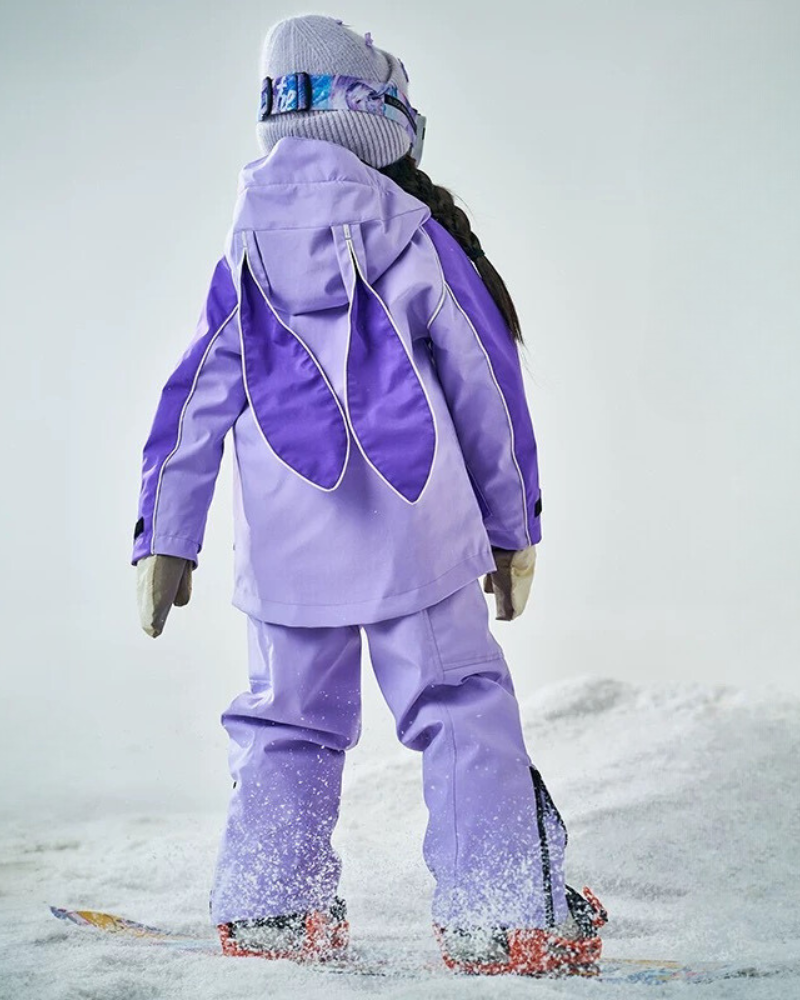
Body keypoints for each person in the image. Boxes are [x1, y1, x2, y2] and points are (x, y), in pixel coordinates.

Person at [131, 14, 607, 977]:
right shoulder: (413, 235)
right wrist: (513, 528)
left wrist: (164, 537)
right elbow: (485, 384)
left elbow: (194, 399)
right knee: (458, 706)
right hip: (415, 531)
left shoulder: (242, 253)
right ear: (378, 119)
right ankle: (496, 911)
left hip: (286, 552)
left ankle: (272, 903)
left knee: (285, 716)